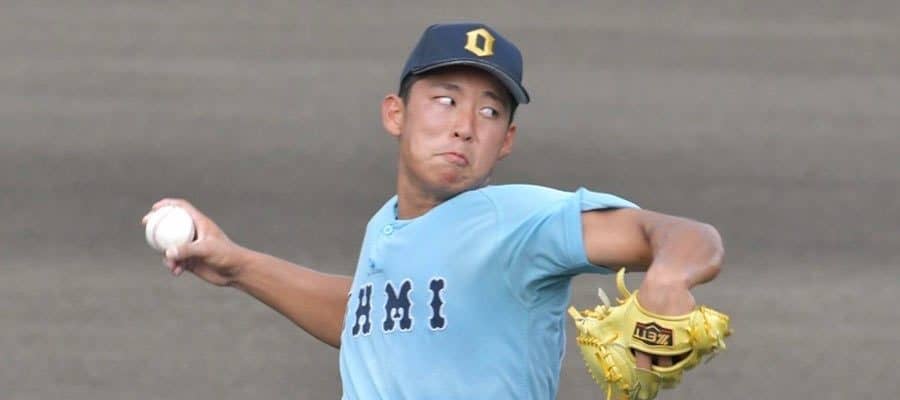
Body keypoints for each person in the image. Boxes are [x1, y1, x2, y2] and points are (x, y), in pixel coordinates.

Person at [144, 23, 723, 400]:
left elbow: (682, 234)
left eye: (490, 112)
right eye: (445, 99)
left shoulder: (518, 221)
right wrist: (238, 265)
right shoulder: (385, 225)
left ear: (507, 140)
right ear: (395, 114)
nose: (464, 126)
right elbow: (369, 320)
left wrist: (669, 277)